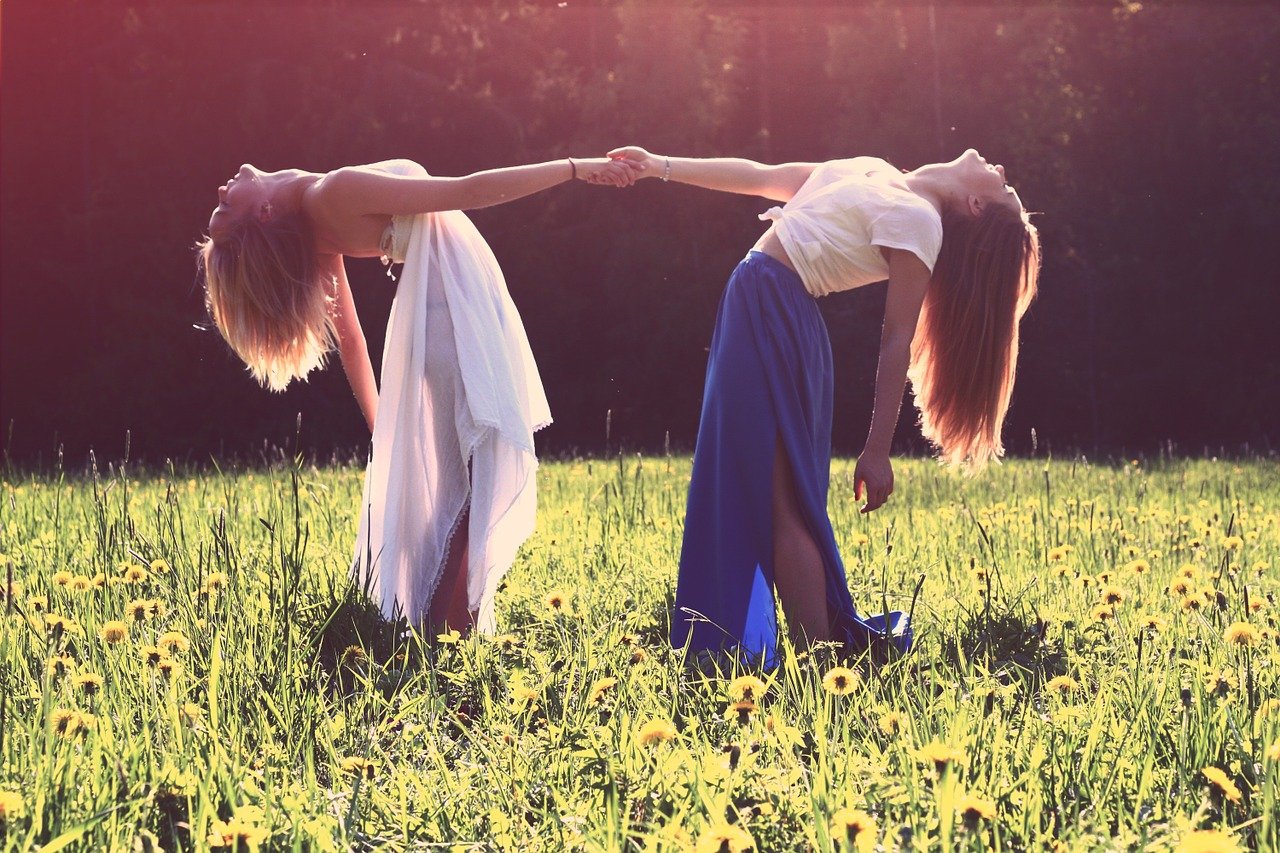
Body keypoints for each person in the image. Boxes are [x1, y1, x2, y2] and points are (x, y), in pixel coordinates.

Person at [607, 146, 1041, 667]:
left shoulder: (920, 223)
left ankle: (820, 664)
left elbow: (896, 339)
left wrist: (877, 449)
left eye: (1004, 188)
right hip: (761, 303)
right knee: (772, 495)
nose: (1001, 169)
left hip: (775, 311)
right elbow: (762, 172)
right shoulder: (880, 172)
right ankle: (818, 657)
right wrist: (660, 166)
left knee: (780, 501)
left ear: (974, 204)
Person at [197, 155, 637, 635]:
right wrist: (573, 168)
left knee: (464, 488)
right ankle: (446, 632)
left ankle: (441, 628)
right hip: (454, 322)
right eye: (225, 210)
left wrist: (382, 429)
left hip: (450, 316)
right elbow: (470, 186)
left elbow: (352, 341)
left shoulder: (317, 214)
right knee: (469, 487)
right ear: (263, 212)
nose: (219, 194)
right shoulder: (334, 193)